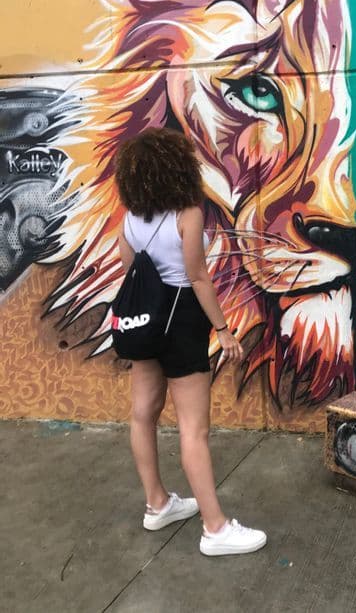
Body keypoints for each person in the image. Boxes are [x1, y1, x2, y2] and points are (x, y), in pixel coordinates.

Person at [113, 127, 267, 557]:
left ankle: (157, 503)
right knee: (193, 429)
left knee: (142, 415)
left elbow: (132, 271)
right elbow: (198, 277)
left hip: (144, 322)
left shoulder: (128, 218)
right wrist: (222, 329)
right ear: (176, 168)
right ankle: (215, 528)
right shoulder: (187, 213)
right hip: (182, 322)